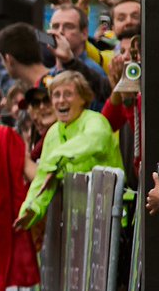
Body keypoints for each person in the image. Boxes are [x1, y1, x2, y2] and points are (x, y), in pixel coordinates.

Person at [15, 71, 122, 230]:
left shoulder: (96, 121)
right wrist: (30, 210)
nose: (61, 100)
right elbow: (43, 178)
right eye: (56, 95)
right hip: (79, 224)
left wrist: (56, 159)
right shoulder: (52, 133)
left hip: (114, 221)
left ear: (83, 98)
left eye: (68, 94)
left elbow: (93, 141)